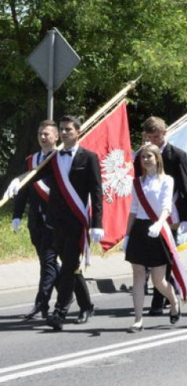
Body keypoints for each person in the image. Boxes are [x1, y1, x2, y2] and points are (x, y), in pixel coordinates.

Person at [43, 115, 104, 331]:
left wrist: (97, 223)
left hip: (78, 221)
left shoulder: (89, 157)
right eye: (62, 129)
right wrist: (18, 183)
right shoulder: (54, 157)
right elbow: (35, 176)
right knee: (71, 265)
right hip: (57, 221)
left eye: (68, 129)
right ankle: (87, 305)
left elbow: (97, 192)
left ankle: (59, 312)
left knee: (68, 265)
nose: (64, 132)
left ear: (78, 131)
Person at [136, 116, 187, 316]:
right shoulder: (141, 155)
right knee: (149, 258)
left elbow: (185, 188)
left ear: (164, 133)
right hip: (146, 214)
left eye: (156, 136)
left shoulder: (177, 154)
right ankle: (169, 291)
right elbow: (137, 184)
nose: (152, 140)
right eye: (149, 137)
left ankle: (158, 300)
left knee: (165, 256)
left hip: (171, 213)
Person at [124, 145, 181, 332]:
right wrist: (127, 234)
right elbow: (133, 210)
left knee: (159, 281)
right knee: (138, 276)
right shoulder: (137, 182)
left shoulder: (166, 180)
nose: (146, 160)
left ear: (157, 158)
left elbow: (166, 207)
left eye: (149, 156)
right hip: (140, 230)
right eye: (143, 157)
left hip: (157, 229)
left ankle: (173, 301)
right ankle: (138, 319)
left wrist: (159, 223)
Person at [11, 120, 59, 320]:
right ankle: (77, 288)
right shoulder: (31, 160)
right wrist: (16, 215)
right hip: (36, 220)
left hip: (55, 220)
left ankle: (42, 304)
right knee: (47, 263)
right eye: (40, 133)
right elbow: (22, 191)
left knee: (48, 263)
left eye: (47, 133)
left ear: (56, 136)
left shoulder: (59, 158)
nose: (43, 137)